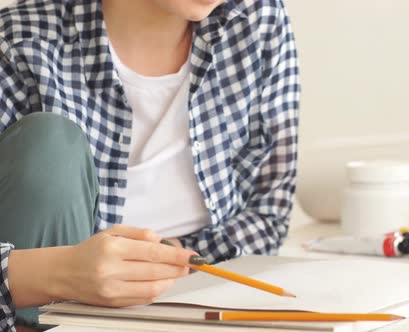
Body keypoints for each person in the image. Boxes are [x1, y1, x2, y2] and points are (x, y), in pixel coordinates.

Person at [0, 0, 300, 330]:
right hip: (38, 317)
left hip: (195, 305)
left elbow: (267, 214)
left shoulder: (257, 20)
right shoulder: (18, 41)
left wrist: (165, 260)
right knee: (50, 144)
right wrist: (56, 273)